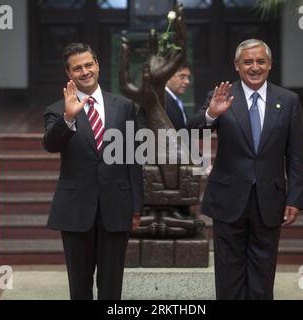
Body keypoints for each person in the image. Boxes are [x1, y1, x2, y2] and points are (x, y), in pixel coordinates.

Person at [188, 39, 303, 299]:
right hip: (228, 199)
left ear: (270, 65)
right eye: (248, 62)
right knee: (228, 272)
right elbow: (191, 130)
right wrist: (211, 114)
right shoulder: (221, 95)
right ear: (237, 65)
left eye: (260, 61)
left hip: (269, 199)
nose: (255, 67)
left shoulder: (288, 100)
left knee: (263, 273)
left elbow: (296, 154)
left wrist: (295, 198)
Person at [43, 43, 143, 300]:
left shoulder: (124, 106)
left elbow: (133, 158)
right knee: (79, 286)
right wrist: (68, 118)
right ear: (69, 74)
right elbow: (50, 145)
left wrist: (136, 207)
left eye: (89, 65)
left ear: (97, 65)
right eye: (77, 68)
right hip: (76, 209)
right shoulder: (57, 109)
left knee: (112, 287)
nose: (85, 71)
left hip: (116, 207)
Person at [165, 61, 191, 131]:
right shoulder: (162, 101)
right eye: (182, 77)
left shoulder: (176, 100)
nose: (187, 82)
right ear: (168, 77)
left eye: (188, 77)